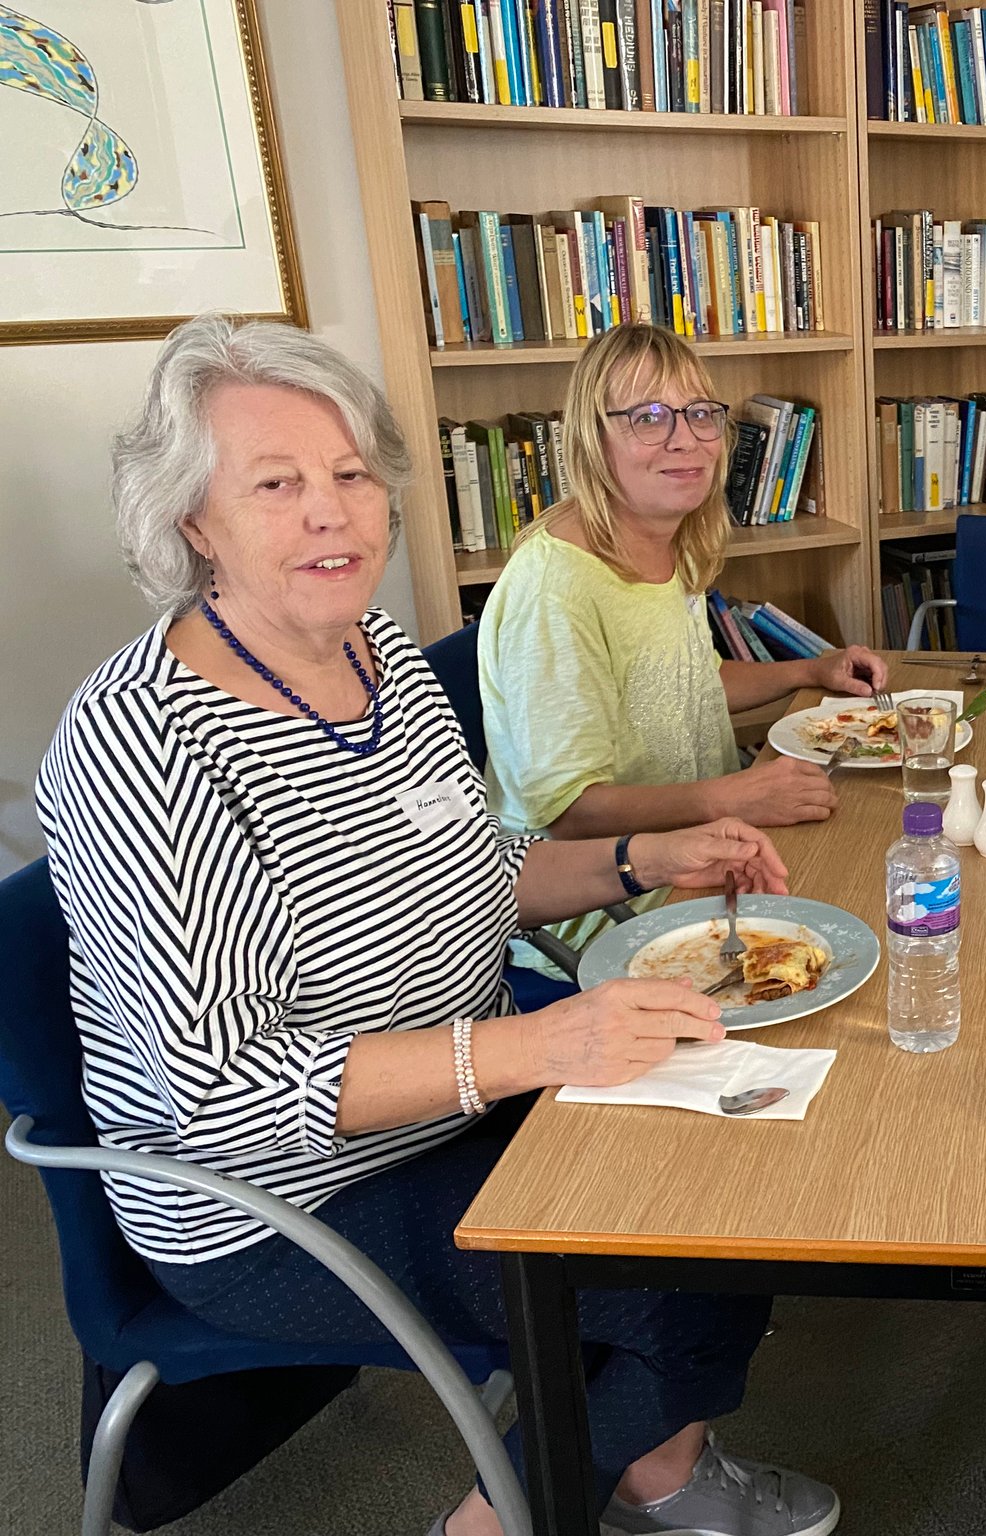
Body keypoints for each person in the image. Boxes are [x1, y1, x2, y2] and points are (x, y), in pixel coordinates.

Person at [36, 315, 841, 1536]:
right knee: (681, 1280)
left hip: (457, 1098)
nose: (333, 513)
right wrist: (543, 1046)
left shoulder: (377, 660)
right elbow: (223, 1090)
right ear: (192, 520)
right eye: (276, 484)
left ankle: (651, 1473)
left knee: (728, 1186)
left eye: (353, 474)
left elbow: (473, 868)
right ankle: (498, 1521)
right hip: (276, 1202)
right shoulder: (143, 740)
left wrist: (642, 858)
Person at [480, 324, 886, 964]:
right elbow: (568, 811)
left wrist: (811, 670)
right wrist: (735, 795)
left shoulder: (668, 538)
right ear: (593, 438)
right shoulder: (555, 589)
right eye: (649, 417)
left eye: (700, 414)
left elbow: (687, 681)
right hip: (611, 911)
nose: (685, 439)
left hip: (711, 852)